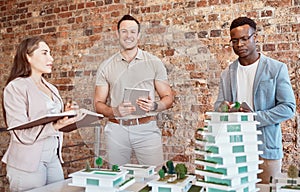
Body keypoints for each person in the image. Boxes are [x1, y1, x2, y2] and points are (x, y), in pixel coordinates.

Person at [214, 17, 296, 184]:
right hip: (235, 149)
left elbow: (288, 108)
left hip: (266, 150)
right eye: (235, 41)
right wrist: (223, 108)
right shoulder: (227, 74)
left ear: (255, 37)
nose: (239, 45)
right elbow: (218, 106)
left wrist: (253, 118)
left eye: (245, 39)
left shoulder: (276, 68)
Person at [94, 15, 174, 167]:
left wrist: (155, 106)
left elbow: (168, 97)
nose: (128, 36)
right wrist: (115, 111)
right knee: (117, 178)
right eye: (124, 31)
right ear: (117, 34)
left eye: (132, 32)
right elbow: (98, 104)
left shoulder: (154, 62)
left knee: (155, 176)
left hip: (146, 129)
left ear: (138, 35)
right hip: (116, 129)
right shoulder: (106, 66)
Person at [2, 36, 78, 191]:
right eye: (44, 53)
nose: (51, 58)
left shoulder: (52, 88)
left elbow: (53, 122)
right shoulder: (16, 87)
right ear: (27, 56)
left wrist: (66, 115)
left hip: (53, 158)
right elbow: (20, 132)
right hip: (28, 161)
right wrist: (56, 125)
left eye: (50, 53)